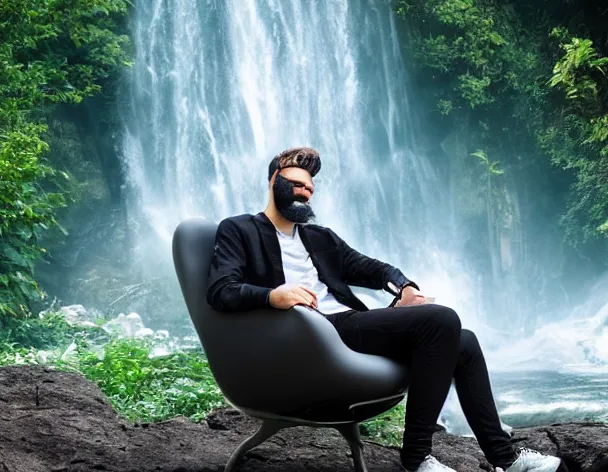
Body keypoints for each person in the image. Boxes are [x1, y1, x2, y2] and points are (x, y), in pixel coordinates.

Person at [206, 147, 562, 472]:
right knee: (443, 320)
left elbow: (373, 269)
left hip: (342, 327)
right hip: (307, 333)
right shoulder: (240, 229)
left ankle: (505, 458)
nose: (304, 193)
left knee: (463, 342)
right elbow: (222, 291)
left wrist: (404, 287)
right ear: (274, 180)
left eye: (310, 189)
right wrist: (274, 296)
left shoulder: (319, 237)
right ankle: (417, 457)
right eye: (297, 184)